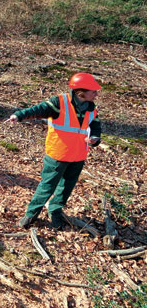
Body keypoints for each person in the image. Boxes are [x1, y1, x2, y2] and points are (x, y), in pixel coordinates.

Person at [6, 73, 102, 230]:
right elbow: (38, 109)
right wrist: (19, 115)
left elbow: (96, 127)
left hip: (78, 156)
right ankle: (31, 214)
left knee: (66, 188)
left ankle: (55, 212)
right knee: (47, 186)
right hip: (58, 155)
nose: (96, 94)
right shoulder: (59, 102)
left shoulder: (92, 108)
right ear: (81, 92)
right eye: (93, 91)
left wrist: (95, 139)